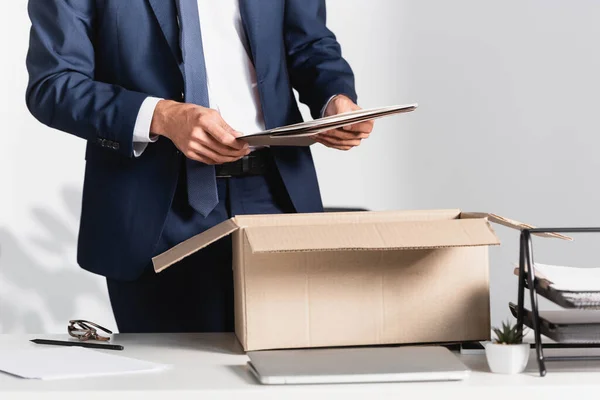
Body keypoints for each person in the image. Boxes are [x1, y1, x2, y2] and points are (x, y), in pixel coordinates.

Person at [25, 0, 374, 333]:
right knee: (178, 381)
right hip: (155, 210)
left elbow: (310, 42)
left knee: (288, 375)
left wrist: (333, 98)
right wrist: (161, 116)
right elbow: (54, 84)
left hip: (276, 194)